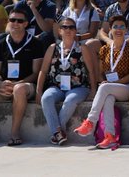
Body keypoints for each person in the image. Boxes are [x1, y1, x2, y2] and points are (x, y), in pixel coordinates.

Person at [0, 11, 43, 146]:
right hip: (4, 86)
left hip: (26, 85)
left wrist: (18, 83)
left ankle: (14, 133)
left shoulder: (36, 43)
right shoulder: (2, 42)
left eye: (19, 21)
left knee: (19, 89)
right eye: (12, 20)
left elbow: (36, 73)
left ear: (26, 24)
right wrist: (0, 83)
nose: (15, 23)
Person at [72, 15, 129, 150]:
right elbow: (100, 72)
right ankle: (110, 137)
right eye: (115, 26)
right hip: (109, 88)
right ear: (110, 30)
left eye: (122, 26)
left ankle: (90, 121)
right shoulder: (105, 49)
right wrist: (103, 80)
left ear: (126, 30)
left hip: (127, 87)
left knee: (105, 88)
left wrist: (115, 83)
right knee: (108, 98)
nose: (118, 29)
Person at [36, 18, 95, 146]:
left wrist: (93, 91)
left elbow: (91, 71)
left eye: (71, 27)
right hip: (56, 87)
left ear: (75, 31)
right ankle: (59, 133)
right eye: (64, 27)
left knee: (70, 100)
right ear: (59, 31)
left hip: (79, 87)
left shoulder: (82, 48)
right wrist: (38, 91)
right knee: (46, 98)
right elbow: (43, 71)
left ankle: (57, 132)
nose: (68, 30)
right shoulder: (52, 48)